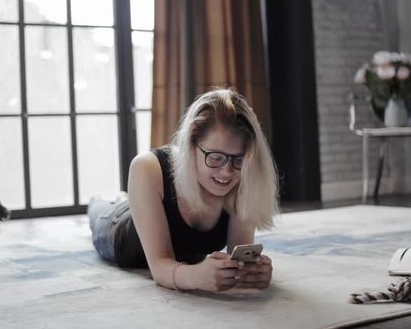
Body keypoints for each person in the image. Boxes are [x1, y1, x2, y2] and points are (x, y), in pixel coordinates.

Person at [88, 88, 279, 292]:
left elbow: (238, 256)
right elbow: (160, 265)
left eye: (238, 159)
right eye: (215, 157)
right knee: (99, 208)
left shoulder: (243, 177)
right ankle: (102, 200)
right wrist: (196, 277)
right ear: (191, 144)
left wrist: (252, 272)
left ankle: (126, 198)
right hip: (116, 227)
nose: (227, 172)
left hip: (147, 209)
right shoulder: (147, 167)